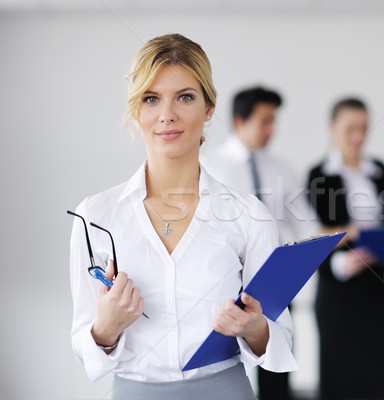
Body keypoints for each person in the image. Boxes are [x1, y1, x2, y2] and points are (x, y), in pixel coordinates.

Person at [69, 33, 297, 400]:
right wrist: (106, 329)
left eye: (185, 97)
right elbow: (84, 341)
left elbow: (279, 334)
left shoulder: (248, 216)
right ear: (136, 110)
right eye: (151, 98)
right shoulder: (95, 215)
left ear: (209, 107)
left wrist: (254, 328)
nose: (167, 115)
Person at [201, 86, 319, 400]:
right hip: (225, 285)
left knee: (276, 368)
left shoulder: (282, 169)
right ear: (240, 121)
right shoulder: (209, 167)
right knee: (227, 369)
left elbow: (306, 224)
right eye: (265, 121)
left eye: (274, 121)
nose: (272, 130)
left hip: (275, 282)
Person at [307, 98, 384, 400]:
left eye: (363, 128)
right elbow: (313, 237)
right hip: (337, 289)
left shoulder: (378, 171)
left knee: (379, 376)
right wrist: (347, 249)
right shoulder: (319, 174)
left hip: (375, 288)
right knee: (340, 378)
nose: (357, 136)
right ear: (333, 130)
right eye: (350, 129)